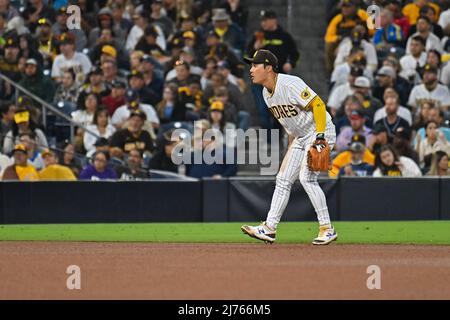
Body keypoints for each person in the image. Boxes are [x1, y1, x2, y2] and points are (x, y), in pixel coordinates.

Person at [240, 50, 337, 245]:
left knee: (307, 178)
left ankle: (327, 228)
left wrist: (320, 137)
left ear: (268, 68)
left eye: (255, 65)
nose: (251, 70)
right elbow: (290, 125)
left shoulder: (290, 83)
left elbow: (318, 105)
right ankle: (269, 228)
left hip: (320, 131)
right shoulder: (266, 94)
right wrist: (289, 154)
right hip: (300, 137)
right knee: (283, 178)